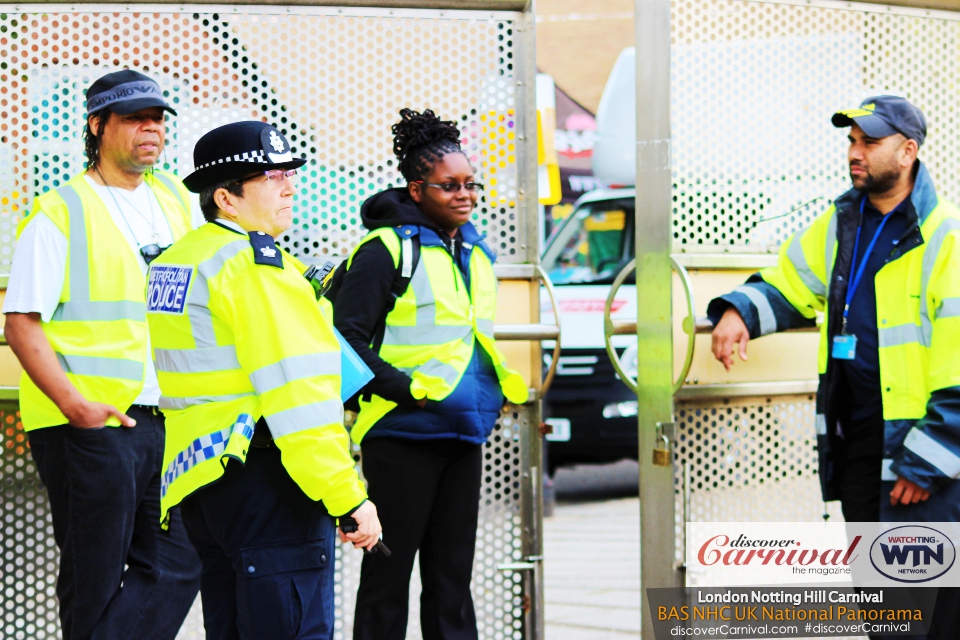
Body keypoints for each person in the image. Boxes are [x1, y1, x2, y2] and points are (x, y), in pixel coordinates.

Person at [708, 96, 960, 637]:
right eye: (851, 141)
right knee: (882, 613)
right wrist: (738, 312)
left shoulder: (945, 239)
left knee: (925, 615)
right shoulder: (844, 221)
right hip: (860, 445)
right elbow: (789, 282)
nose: (855, 152)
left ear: (909, 151)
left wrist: (927, 461)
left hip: (919, 455)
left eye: (870, 141)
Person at [146, 120, 382, 640]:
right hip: (268, 477)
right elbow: (298, 402)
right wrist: (347, 497)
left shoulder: (180, 260)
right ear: (226, 198)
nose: (290, 187)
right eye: (273, 176)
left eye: (288, 174)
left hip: (204, 477)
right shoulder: (253, 268)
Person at [3, 70, 201, 640]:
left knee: (177, 561)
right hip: (89, 424)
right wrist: (76, 406)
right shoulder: (59, 212)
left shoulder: (175, 203)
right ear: (98, 126)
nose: (152, 129)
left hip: (164, 416)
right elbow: (22, 325)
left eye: (159, 118)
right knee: (94, 574)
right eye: (136, 118)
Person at [333, 108, 528, 640]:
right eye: (449, 186)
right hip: (402, 434)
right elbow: (342, 341)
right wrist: (409, 393)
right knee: (387, 578)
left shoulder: (472, 251)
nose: (464, 195)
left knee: (452, 579)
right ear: (417, 189)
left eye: (471, 185)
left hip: (463, 432)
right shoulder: (385, 251)